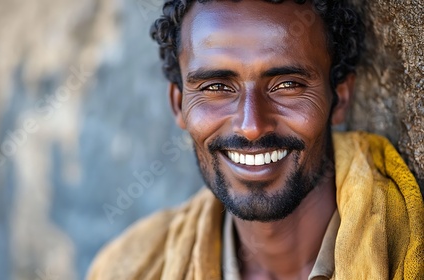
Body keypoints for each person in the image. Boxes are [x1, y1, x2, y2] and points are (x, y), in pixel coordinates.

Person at [88, 0, 424, 279]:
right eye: (216, 87)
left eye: (287, 84)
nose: (251, 126)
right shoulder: (128, 267)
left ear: (340, 97)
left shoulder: (407, 248)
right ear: (179, 104)